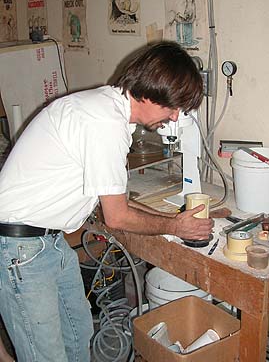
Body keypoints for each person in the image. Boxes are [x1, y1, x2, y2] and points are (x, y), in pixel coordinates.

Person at [0, 41, 214, 362]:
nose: (173, 118)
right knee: (45, 354)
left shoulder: (109, 110)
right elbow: (116, 217)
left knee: (78, 337)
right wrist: (174, 226)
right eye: (171, 107)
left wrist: (173, 220)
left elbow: (116, 201)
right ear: (147, 91)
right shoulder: (103, 122)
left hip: (50, 243)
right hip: (21, 249)